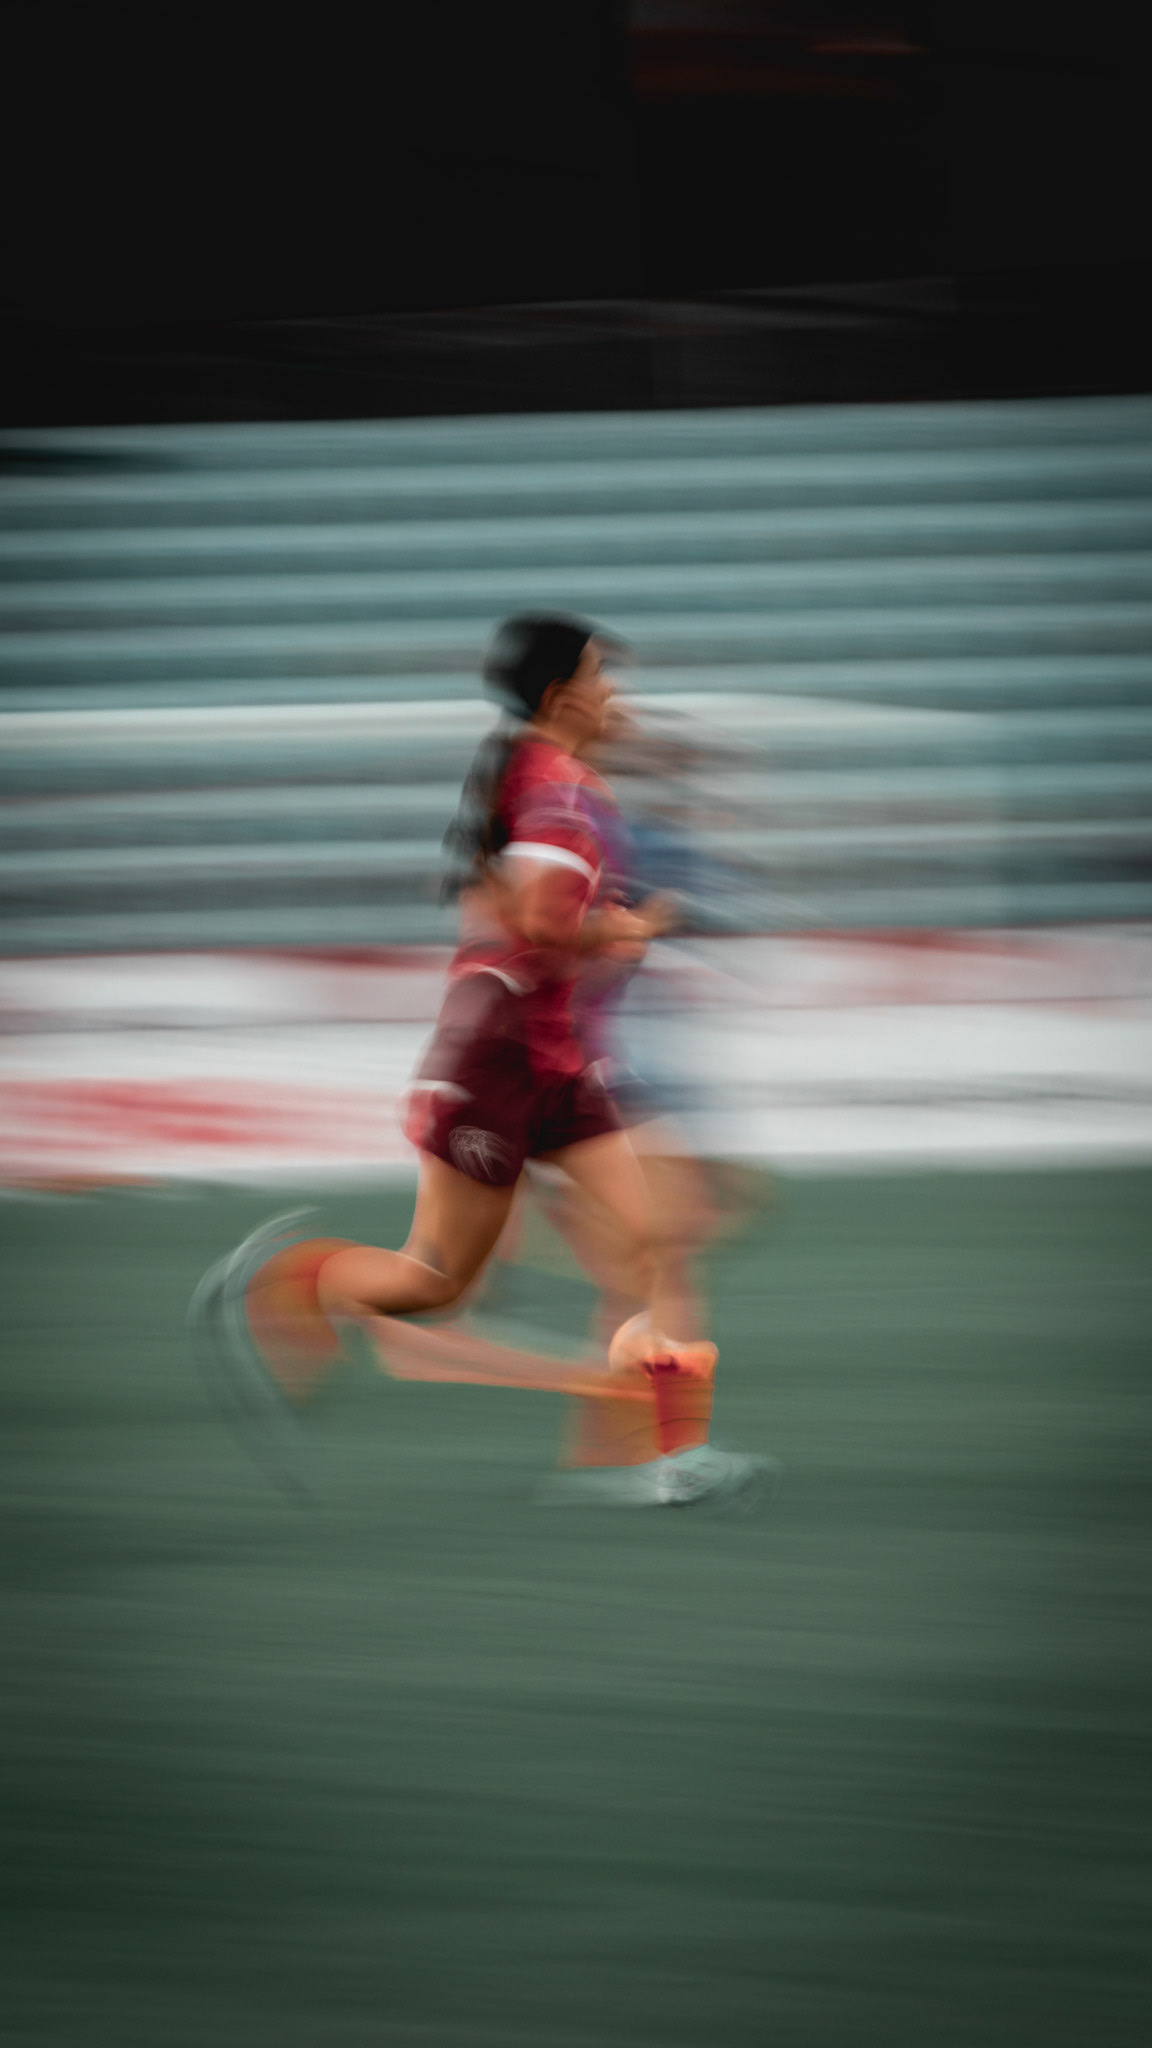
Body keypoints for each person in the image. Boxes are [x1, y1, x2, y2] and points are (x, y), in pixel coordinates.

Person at [191, 615, 772, 1508]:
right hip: (498, 1060)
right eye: (602, 676)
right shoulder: (554, 789)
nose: (615, 692)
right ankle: (287, 1278)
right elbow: (541, 920)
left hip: (556, 1059)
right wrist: (627, 928)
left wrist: (609, 939)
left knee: (652, 1242)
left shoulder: (562, 781)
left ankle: (669, 1459)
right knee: (435, 1282)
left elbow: (517, 912)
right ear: (562, 697)